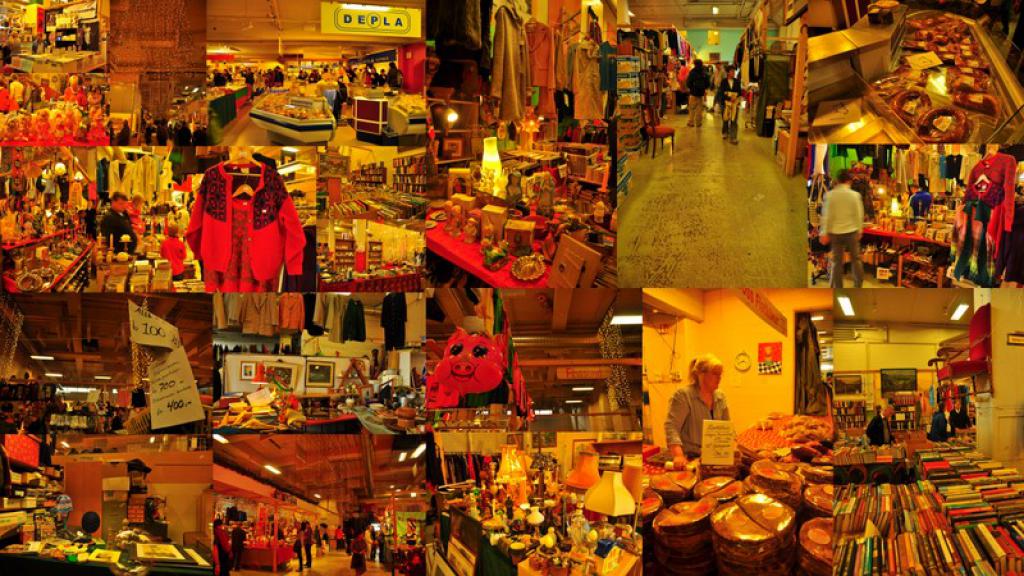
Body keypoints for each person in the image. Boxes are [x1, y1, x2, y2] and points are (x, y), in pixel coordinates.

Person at [664, 354, 730, 468]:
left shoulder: (721, 397)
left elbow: (727, 427)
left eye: (720, 374)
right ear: (701, 375)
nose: (719, 378)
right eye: (715, 374)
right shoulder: (683, 396)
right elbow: (672, 427)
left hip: (715, 456)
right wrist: (678, 455)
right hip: (690, 458)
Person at [820, 170, 865, 288]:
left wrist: (824, 232)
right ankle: (858, 286)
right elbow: (859, 214)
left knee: (837, 262)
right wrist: (860, 230)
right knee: (856, 260)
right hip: (852, 232)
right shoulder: (855, 195)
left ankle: (838, 288)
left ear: (838, 181)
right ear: (849, 181)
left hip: (835, 233)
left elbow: (826, 216)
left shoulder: (830, 195)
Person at [717, 65, 742, 144]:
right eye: (732, 71)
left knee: (734, 120)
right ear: (728, 72)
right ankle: (725, 132)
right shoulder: (723, 81)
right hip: (725, 103)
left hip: (735, 104)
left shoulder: (737, 81)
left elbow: (740, 92)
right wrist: (728, 97)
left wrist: (735, 97)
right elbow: (721, 92)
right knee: (725, 119)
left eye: (734, 71)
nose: (733, 73)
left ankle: (733, 137)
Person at [685, 59, 708, 128]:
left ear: (695, 64)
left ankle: (691, 122)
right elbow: (708, 83)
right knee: (699, 109)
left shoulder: (692, 72)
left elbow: (688, 83)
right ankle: (698, 123)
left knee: (692, 108)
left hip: (693, 93)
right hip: (701, 94)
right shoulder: (704, 72)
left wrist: (691, 88)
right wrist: (704, 88)